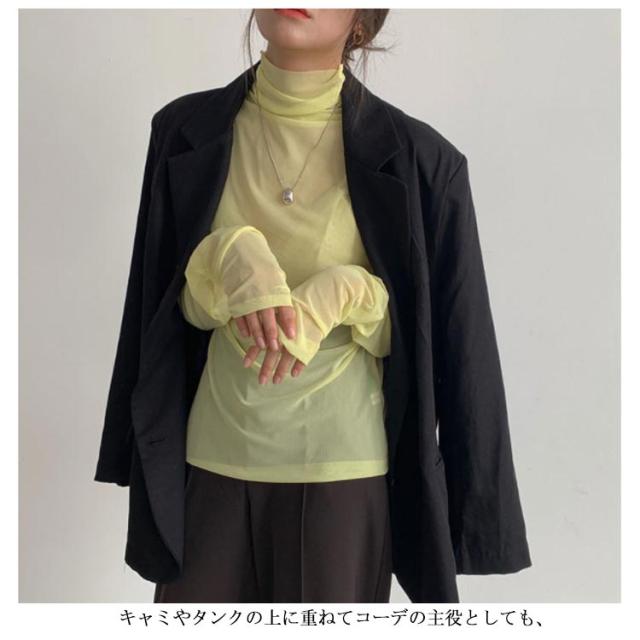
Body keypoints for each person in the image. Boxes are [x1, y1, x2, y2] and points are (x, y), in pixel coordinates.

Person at [94, 8, 532, 604]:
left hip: (342, 480)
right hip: (210, 466)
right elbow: (166, 313)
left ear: (362, 23)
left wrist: (347, 291)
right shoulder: (183, 130)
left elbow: (439, 337)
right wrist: (228, 255)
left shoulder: (421, 159)